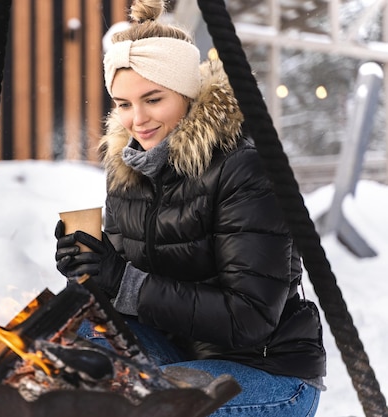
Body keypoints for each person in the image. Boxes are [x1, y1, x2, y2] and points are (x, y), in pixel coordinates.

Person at [54, 0, 326, 415]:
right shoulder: (127, 169)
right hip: (179, 357)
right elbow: (124, 290)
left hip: (266, 371)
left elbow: (249, 318)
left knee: (155, 410)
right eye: (124, 104)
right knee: (65, 346)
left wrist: (122, 279)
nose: (137, 119)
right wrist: (90, 269)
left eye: (153, 98)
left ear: (186, 92)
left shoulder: (247, 169)